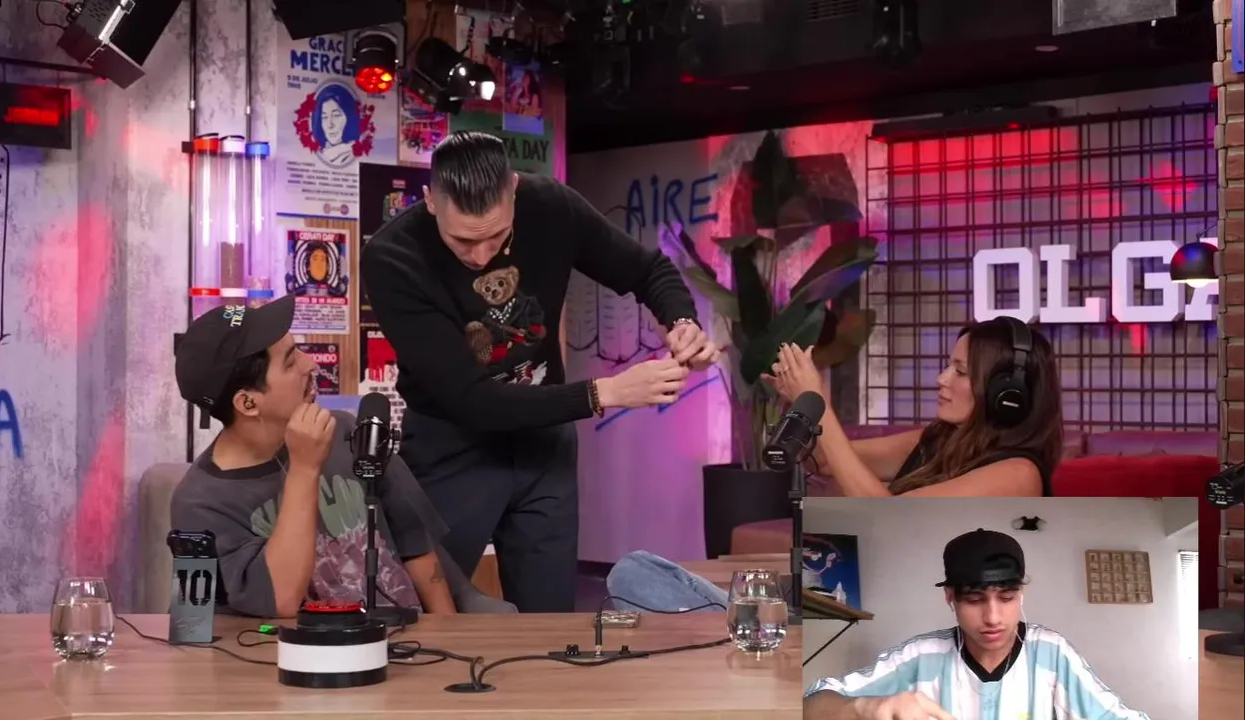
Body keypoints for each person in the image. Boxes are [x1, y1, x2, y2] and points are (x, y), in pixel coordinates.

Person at [360, 131, 719, 612]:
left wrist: (681, 323)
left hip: (544, 447)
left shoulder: (550, 206)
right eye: (462, 240)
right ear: (429, 201)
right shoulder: (394, 257)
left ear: (514, 189)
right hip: (451, 447)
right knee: (424, 614)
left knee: (549, 617)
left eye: (496, 236)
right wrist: (604, 393)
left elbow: (648, 270)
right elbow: (471, 400)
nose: (482, 256)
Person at [170, 295, 457, 618]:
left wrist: (448, 632)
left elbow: (416, 544)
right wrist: (305, 467)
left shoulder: (345, 430)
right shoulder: (201, 503)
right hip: (298, 647)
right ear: (248, 403)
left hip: (407, 636)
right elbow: (279, 601)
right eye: (290, 362)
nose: (311, 364)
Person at [804, 529, 1151, 720]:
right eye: (974, 600)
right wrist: (863, 708)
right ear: (950, 598)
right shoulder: (920, 657)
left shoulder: (1051, 653)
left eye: (1007, 597)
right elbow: (810, 704)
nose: (993, 618)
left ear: (1021, 594)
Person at [765, 316, 1064, 497]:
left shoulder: (1017, 474)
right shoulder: (939, 439)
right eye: (949, 366)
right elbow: (825, 462)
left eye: (960, 372)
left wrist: (818, 401)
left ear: (1007, 394)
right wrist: (803, 401)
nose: (941, 379)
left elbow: (885, 519)